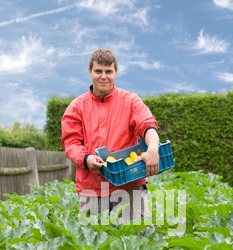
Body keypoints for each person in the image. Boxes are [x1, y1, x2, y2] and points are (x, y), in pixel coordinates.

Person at [61, 48, 159, 223]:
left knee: (141, 238)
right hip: (91, 189)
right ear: (90, 71)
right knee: (92, 244)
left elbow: (147, 125)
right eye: (98, 71)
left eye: (108, 71)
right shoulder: (76, 107)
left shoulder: (130, 101)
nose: (103, 76)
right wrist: (86, 158)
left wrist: (152, 148)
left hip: (129, 185)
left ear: (116, 72)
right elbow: (71, 142)